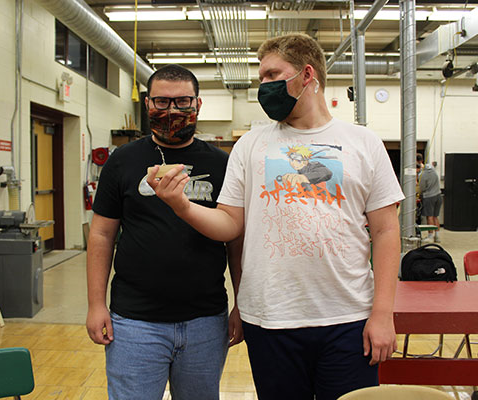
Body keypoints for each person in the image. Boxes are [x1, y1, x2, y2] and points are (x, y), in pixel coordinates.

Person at [148, 34, 404, 399]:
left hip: (347, 317)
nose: (263, 87)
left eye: (271, 75)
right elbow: (230, 225)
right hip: (270, 318)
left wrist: (383, 314)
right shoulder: (250, 145)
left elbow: (386, 231)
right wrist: (182, 206)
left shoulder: (363, 143)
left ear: (307, 74)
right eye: (260, 78)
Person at [86, 64, 243, 400]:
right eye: (161, 102)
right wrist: (96, 304)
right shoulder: (122, 161)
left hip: (205, 319)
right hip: (134, 321)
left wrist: (241, 304)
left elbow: (236, 241)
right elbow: (101, 234)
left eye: (183, 102)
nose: (171, 111)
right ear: (147, 105)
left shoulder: (221, 163)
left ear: (198, 105)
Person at [417, 154, 442, 243]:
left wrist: (419, 193)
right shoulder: (433, 169)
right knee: (435, 216)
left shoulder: (423, 174)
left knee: (429, 217)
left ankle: (430, 236)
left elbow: (422, 187)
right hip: (438, 195)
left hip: (429, 197)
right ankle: (437, 236)